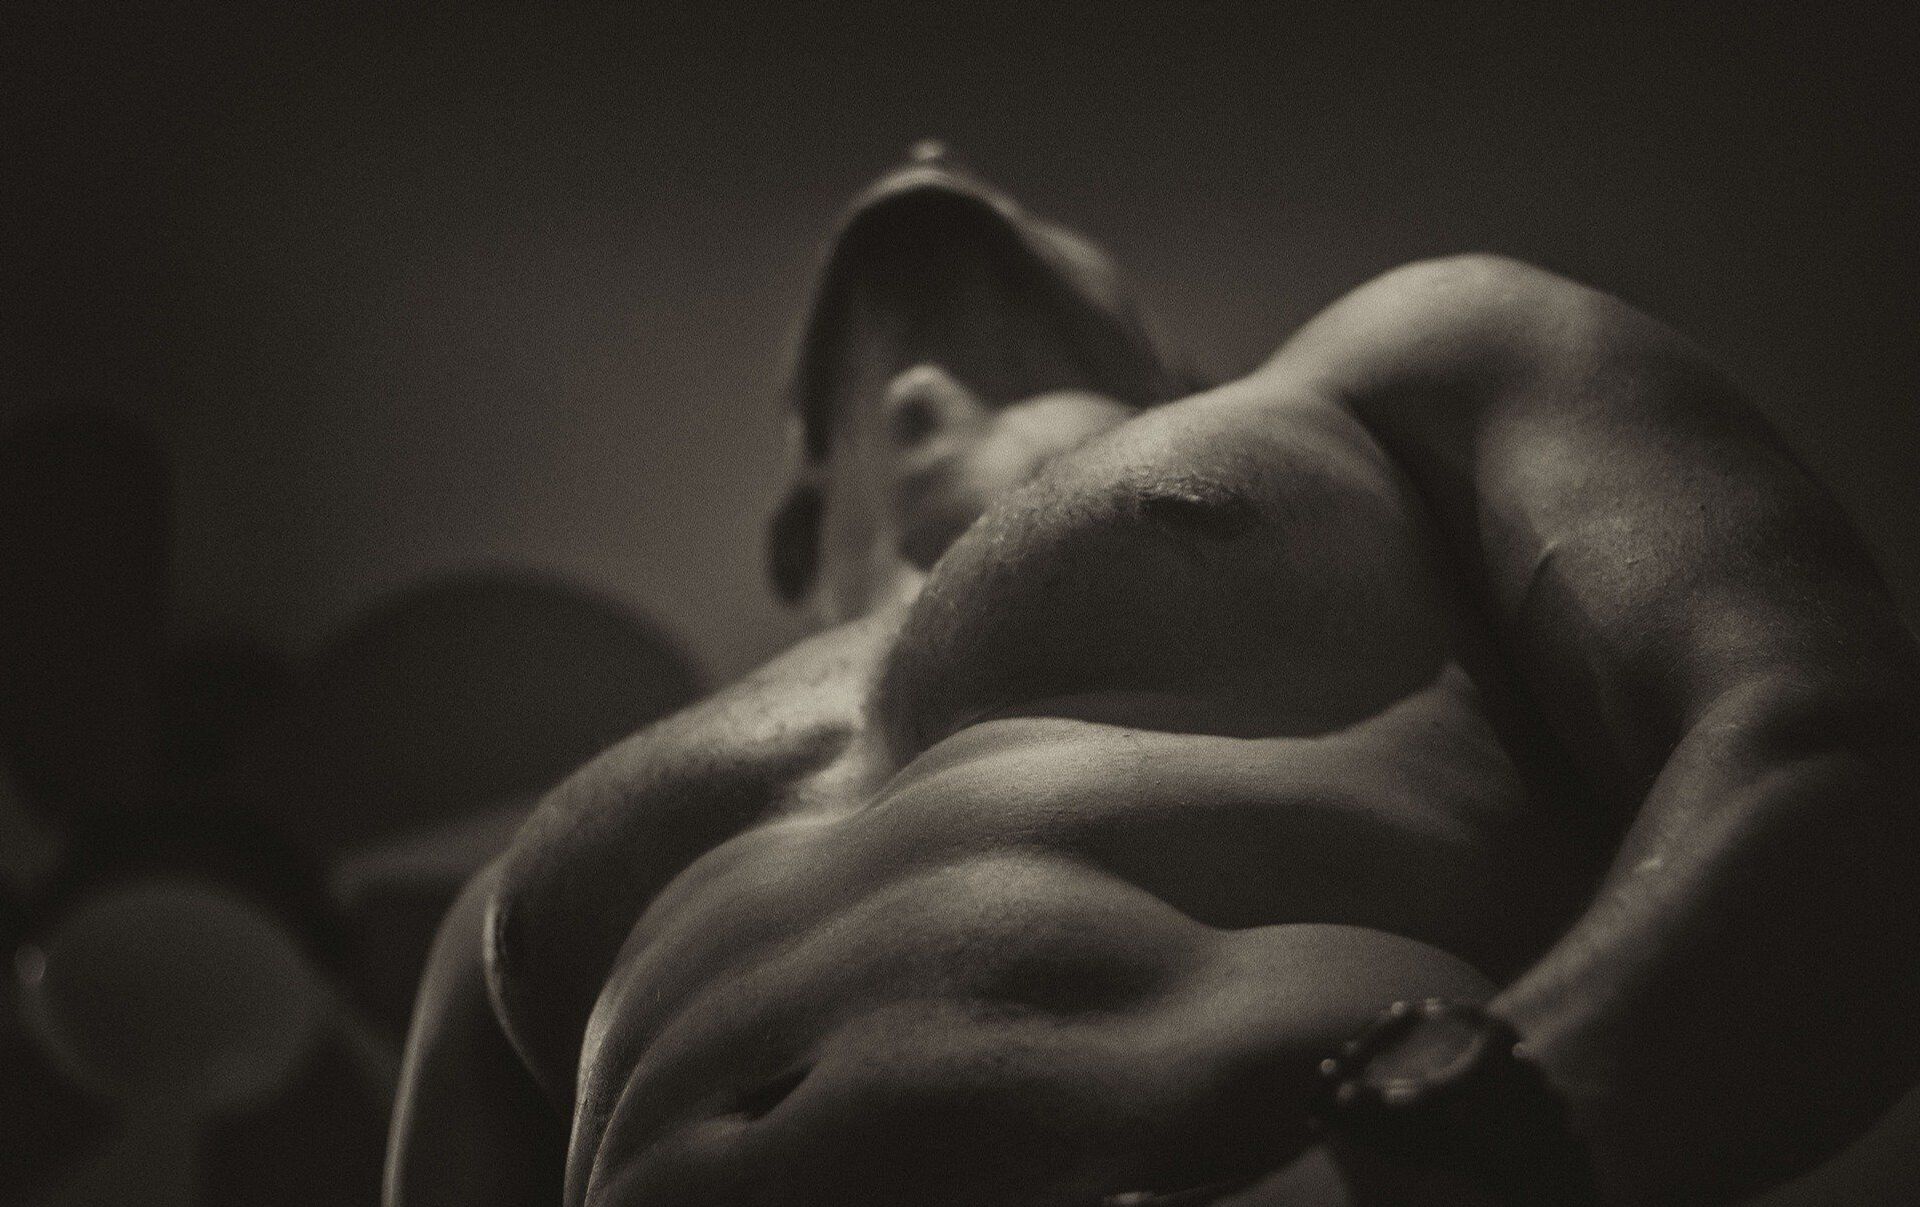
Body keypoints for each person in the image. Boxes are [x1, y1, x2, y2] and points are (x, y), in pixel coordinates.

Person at [383, 147, 1920, 1206]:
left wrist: (1434, 1163)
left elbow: (1832, 751)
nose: (930, 149)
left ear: (1176, 379)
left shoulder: (1389, 369)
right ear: (793, 523)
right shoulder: (528, 879)